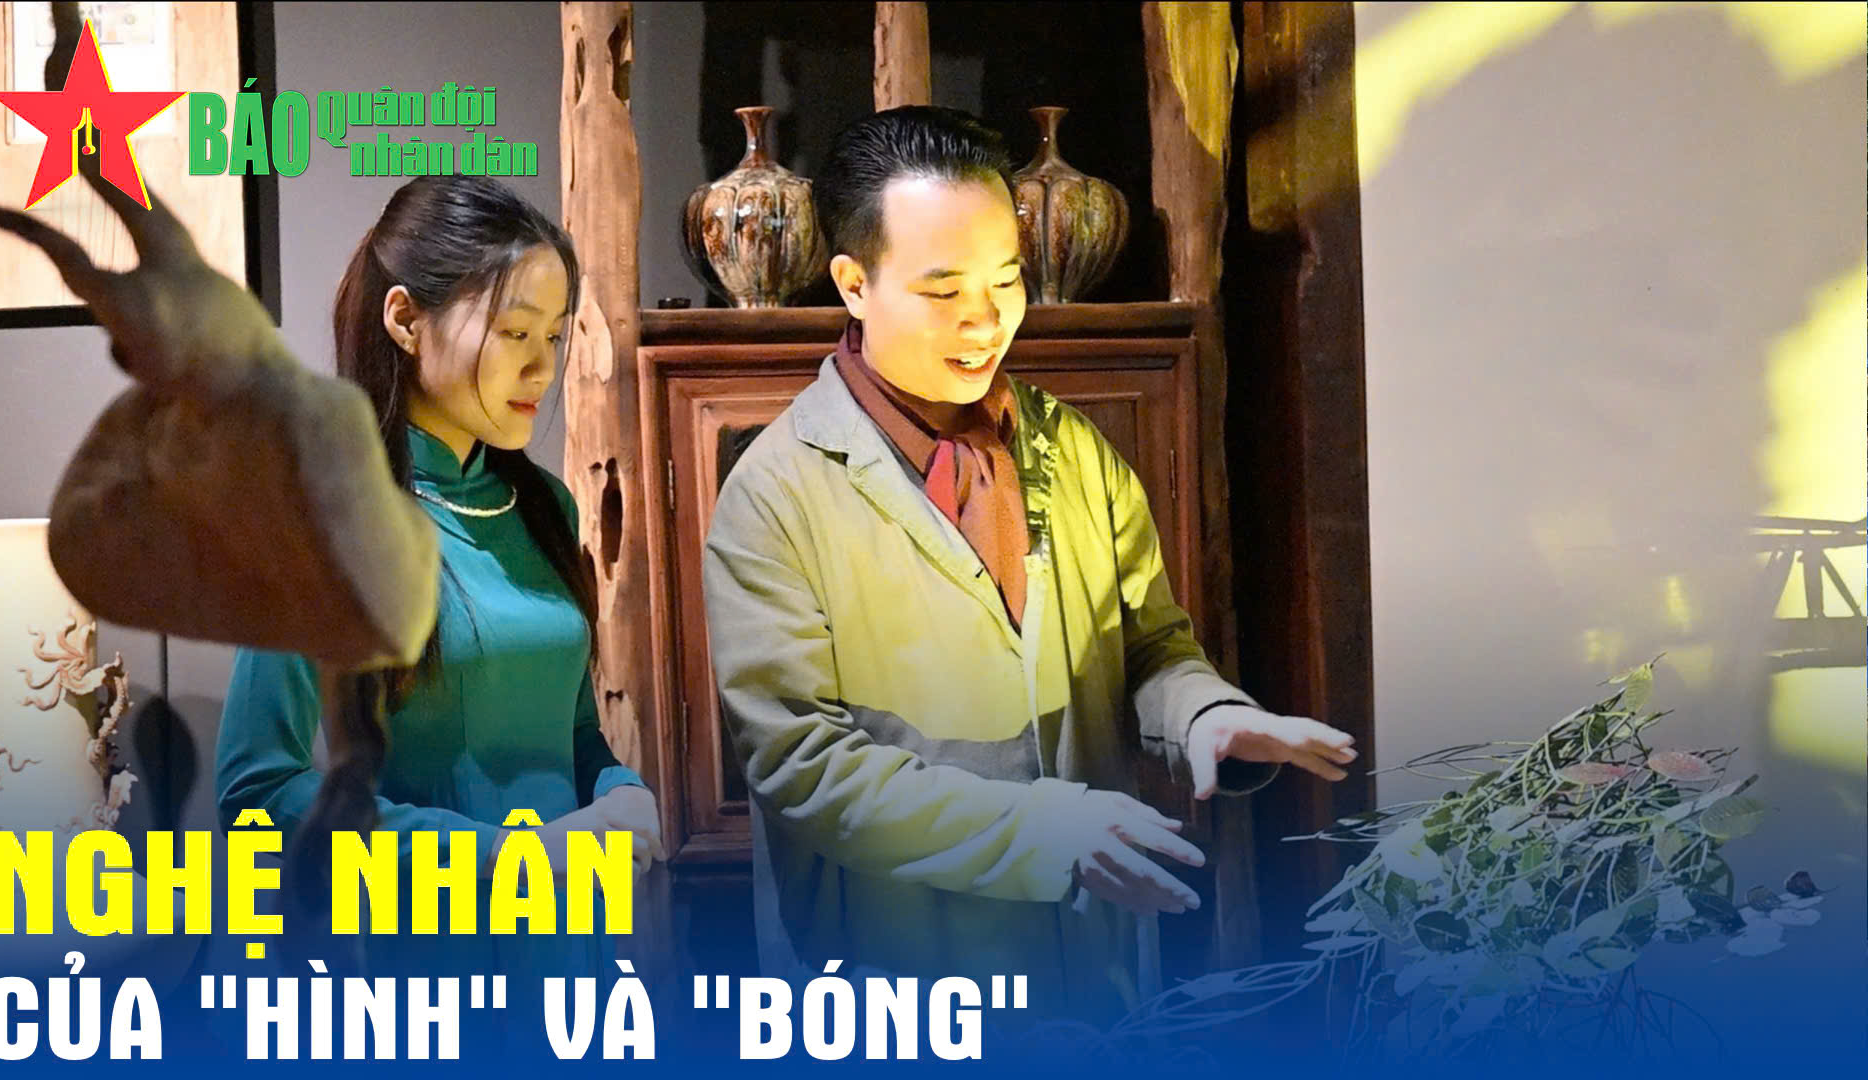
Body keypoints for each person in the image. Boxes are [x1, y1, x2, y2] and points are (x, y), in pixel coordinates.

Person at [701, 107, 1357, 1022]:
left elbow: (1150, 649)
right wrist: (1042, 833)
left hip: (1095, 976)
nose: (985, 319)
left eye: (1005, 280)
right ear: (853, 283)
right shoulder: (777, 492)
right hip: (894, 993)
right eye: (942, 291)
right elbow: (802, 766)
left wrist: (1207, 717)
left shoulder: (1072, 450)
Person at [215, 175, 661, 981]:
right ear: (404, 320)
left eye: (554, 335)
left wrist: (623, 791)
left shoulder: (545, 507)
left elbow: (571, 734)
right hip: (421, 964)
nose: (542, 369)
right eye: (514, 332)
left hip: (573, 960)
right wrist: (515, 856)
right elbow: (257, 791)